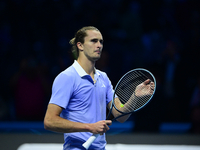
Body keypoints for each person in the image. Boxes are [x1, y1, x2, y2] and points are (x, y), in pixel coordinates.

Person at [44, 26, 154, 150]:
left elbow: (120, 115)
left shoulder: (104, 78)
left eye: (101, 41)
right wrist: (89, 127)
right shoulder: (67, 77)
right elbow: (49, 121)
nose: (99, 45)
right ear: (80, 45)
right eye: (93, 41)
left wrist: (134, 96)